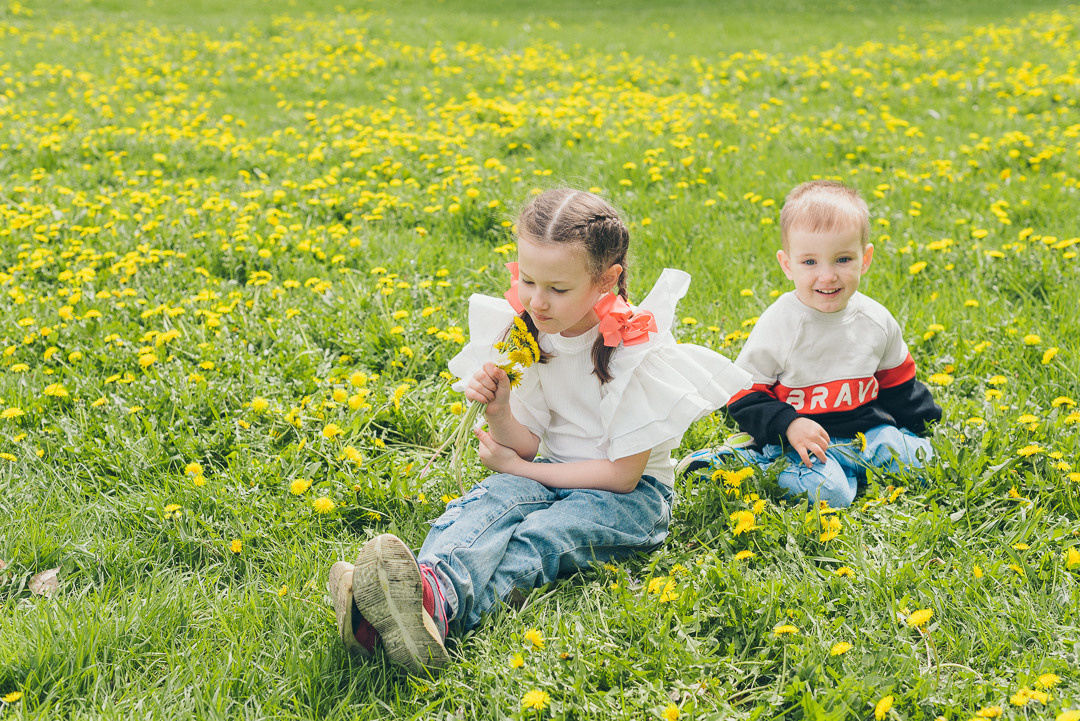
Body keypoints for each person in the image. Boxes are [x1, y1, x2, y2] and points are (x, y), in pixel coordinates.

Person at [327, 188, 750, 674]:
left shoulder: (636, 349)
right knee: (486, 506)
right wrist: (501, 409)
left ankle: (427, 615)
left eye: (558, 288)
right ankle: (426, 592)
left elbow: (623, 477)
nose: (537, 301)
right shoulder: (530, 333)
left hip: (630, 500)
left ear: (606, 280)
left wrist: (524, 468)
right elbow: (527, 440)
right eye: (528, 280)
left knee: (540, 535)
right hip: (547, 469)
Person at [680, 180, 941, 508]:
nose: (828, 275)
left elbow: (899, 385)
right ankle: (746, 461)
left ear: (866, 258)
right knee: (831, 495)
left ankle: (853, 467)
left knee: (923, 460)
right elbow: (742, 395)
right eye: (810, 262)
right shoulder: (781, 324)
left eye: (843, 259)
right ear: (787, 264)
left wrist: (923, 424)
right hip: (797, 441)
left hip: (865, 433)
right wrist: (788, 424)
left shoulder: (876, 320)